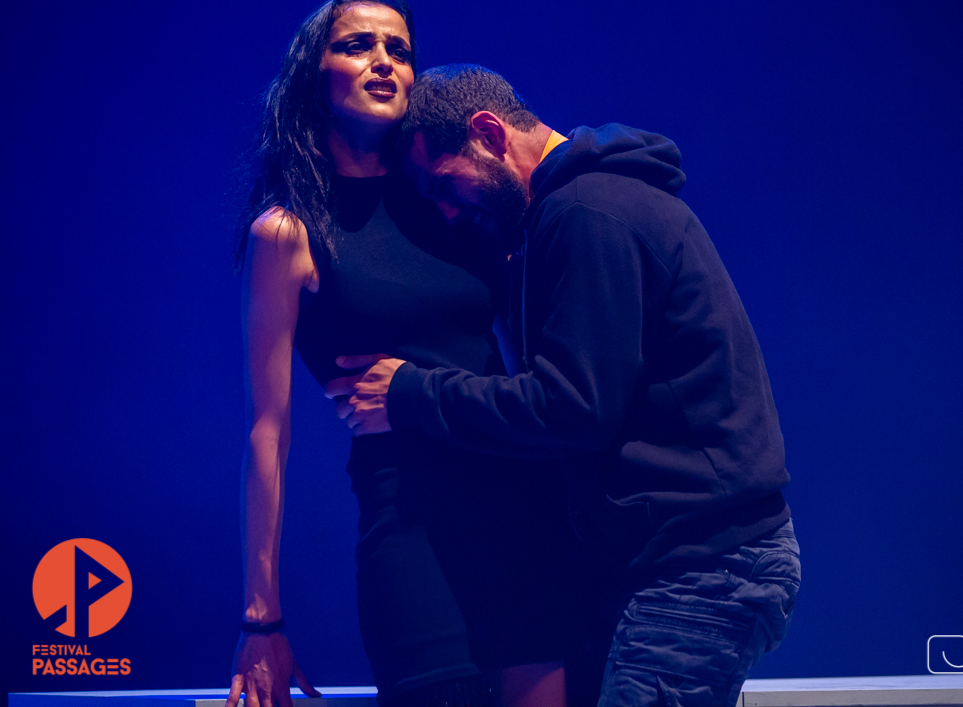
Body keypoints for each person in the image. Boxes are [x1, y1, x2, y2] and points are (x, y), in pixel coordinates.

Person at [327, 64, 802, 707]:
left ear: (489, 132)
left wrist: (412, 392)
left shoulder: (588, 213)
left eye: (445, 183)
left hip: (700, 566)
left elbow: (574, 406)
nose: (446, 209)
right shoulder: (577, 210)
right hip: (683, 563)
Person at [228, 0, 575, 707]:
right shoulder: (288, 233)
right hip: (411, 523)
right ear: (312, 75)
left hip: (522, 508)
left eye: (400, 48)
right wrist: (261, 619)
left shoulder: (453, 199)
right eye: (357, 44)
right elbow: (269, 431)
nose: (384, 60)